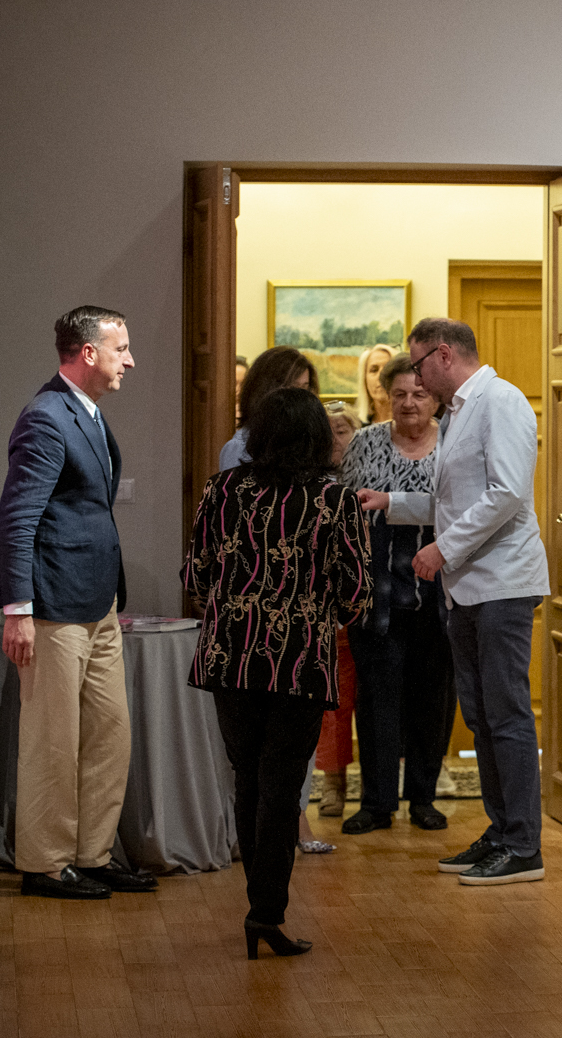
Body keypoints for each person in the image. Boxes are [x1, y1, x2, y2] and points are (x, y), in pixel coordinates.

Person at [358, 318, 548, 885]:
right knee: (482, 716)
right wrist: (391, 502)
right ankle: (501, 831)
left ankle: (524, 845)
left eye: (418, 365)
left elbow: (506, 494)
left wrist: (442, 549)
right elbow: (454, 500)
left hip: (502, 584)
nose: (415, 379)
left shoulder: (501, 401)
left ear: (443, 355)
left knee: (506, 715)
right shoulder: (461, 411)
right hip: (469, 587)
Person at [183, 387, 371, 959]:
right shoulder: (335, 501)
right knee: (282, 786)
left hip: (231, 655)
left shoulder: (222, 490)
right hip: (299, 661)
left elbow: (196, 577)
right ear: (316, 438)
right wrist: (314, 610)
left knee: (248, 779)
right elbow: (357, 594)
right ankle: (266, 912)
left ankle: (258, 907)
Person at [0, 305, 157, 900]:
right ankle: (45, 863)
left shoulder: (85, 411)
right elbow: (16, 520)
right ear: (88, 353)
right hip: (54, 606)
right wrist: (18, 610)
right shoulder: (45, 416)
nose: (130, 361)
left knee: (109, 735)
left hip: (98, 602)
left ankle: (92, 854)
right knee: (53, 742)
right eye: (121, 349)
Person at [337, 353, 454, 835]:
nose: (409, 403)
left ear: (435, 399)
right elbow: (345, 508)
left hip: (440, 595)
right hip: (377, 595)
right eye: (400, 394)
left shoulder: (453, 441)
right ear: (387, 397)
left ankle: (423, 798)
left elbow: (462, 509)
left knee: (433, 701)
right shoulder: (365, 441)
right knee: (377, 703)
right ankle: (377, 803)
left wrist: (393, 504)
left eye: (419, 394)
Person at [313, 401, 364, 819]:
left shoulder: (370, 476)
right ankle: (334, 782)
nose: (335, 438)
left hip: (376, 602)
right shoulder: (310, 482)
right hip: (329, 609)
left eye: (342, 430)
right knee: (335, 702)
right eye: (327, 431)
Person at [219, 346, 318, 470]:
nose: (300, 397)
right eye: (292, 388)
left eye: (304, 388)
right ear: (267, 390)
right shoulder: (240, 448)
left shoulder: (310, 438)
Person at [356, 342, 398, 424]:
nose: (381, 376)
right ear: (364, 380)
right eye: (374, 370)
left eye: (388, 369)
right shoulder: (355, 426)